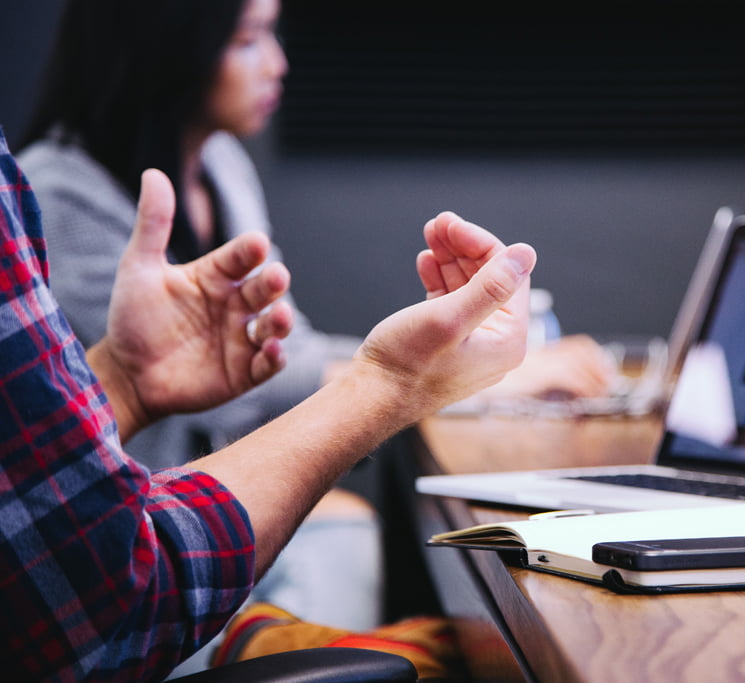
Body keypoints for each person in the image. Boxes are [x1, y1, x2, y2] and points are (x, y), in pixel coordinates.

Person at [0, 125, 538, 681]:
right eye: (250, 39)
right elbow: (103, 599)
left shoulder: (222, 162)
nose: (277, 61)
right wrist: (391, 383)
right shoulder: (56, 188)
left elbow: (25, 479)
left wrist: (122, 382)